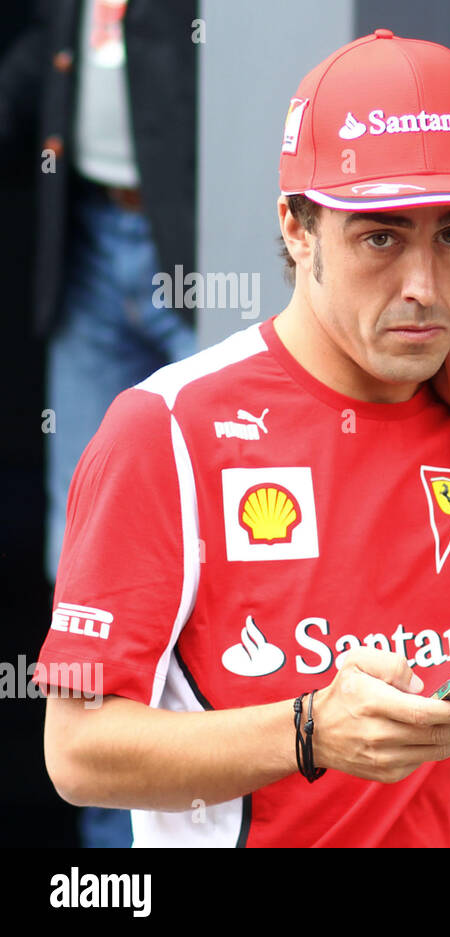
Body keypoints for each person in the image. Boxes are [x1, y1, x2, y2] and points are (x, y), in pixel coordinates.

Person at [34, 29, 450, 847]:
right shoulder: (169, 425)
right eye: (382, 235)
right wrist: (308, 732)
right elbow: (77, 749)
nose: (423, 285)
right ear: (297, 229)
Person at [0, 0, 199, 847]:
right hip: (82, 237)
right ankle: (114, 857)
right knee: (80, 564)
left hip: (196, 245)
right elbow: (47, 49)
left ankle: (210, 811)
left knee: (227, 540)